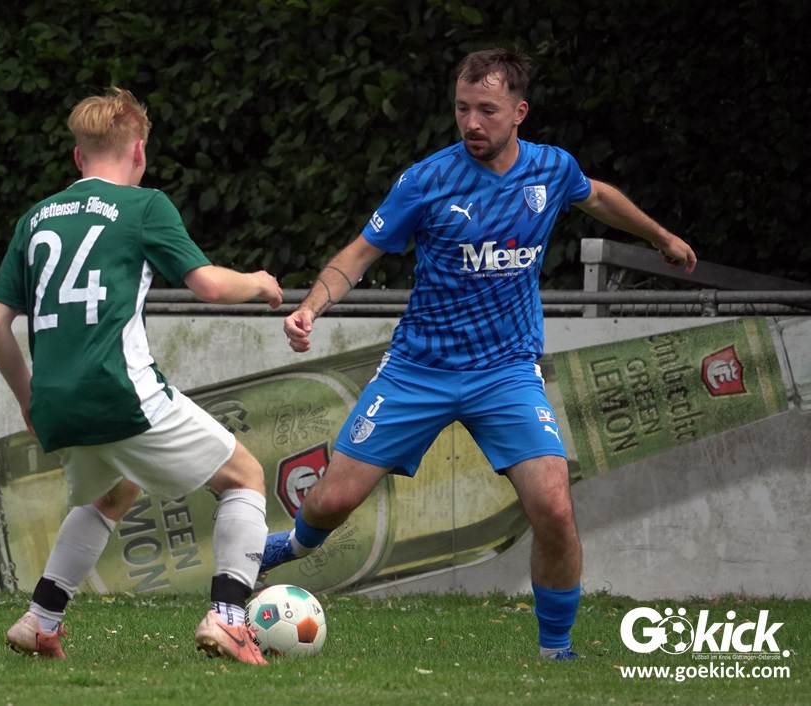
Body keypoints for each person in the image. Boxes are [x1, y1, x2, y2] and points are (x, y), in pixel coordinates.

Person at [260, 48, 697, 660]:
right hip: (419, 370)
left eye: (487, 110)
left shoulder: (551, 169)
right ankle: (296, 546)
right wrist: (311, 306)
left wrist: (660, 236)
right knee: (332, 502)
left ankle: (556, 650)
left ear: (519, 112)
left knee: (553, 506)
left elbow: (596, 196)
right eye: (463, 108)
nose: (472, 122)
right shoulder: (427, 180)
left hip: (507, 373)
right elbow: (359, 253)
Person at [0, 87, 282, 665]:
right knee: (243, 477)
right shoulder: (144, 206)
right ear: (139, 151)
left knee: (113, 492)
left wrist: (28, 401)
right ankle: (229, 617)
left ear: (78, 157)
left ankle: (41, 620)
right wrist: (260, 282)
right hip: (120, 391)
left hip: (56, 402)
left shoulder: (35, 218)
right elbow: (209, 285)